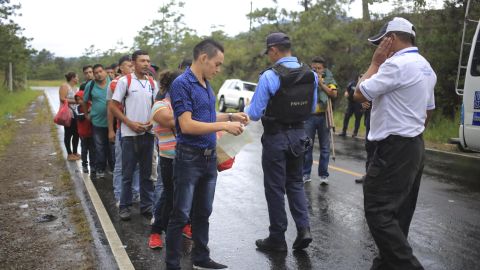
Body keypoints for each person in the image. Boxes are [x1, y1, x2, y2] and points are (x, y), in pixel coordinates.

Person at [353, 17, 436, 270]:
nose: (379, 48)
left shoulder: (395, 65)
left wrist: (375, 62)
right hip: (414, 146)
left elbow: (358, 93)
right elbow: (428, 111)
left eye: (381, 43)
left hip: (394, 148)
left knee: (378, 210)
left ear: (391, 39)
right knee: (399, 215)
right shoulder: (425, 67)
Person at [165, 39, 248, 270]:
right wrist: (224, 127)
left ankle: (201, 258)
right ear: (203, 58)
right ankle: (172, 265)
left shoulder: (206, 83)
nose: (218, 69)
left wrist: (232, 117)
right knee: (181, 215)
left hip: (209, 159)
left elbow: (207, 117)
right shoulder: (182, 84)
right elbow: (188, 125)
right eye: (217, 64)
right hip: (189, 158)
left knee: (203, 212)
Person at [245, 32, 316, 253]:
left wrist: (240, 114)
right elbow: (312, 109)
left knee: (275, 188)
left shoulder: (269, 76)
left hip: (276, 137)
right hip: (299, 135)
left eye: (269, 52)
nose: (268, 57)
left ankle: (277, 238)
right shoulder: (310, 74)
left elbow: (255, 113)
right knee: (295, 183)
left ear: (274, 50)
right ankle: (304, 229)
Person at [110, 50, 158, 221]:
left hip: (148, 134)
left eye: (148, 61)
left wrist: (153, 122)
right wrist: (129, 123)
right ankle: (124, 207)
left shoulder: (153, 83)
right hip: (129, 135)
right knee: (127, 174)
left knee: (147, 175)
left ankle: (147, 207)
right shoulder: (125, 81)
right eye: (142, 61)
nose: (146, 64)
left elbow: (157, 106)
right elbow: (114, 107)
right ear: (134, 63)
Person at [148, 69, 182, 249]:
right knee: (169, 198)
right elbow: (173, 121)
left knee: (184, 198)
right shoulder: (160, 105)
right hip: (169, 159)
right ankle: (156, 232)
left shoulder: (185, 104)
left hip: (190, 159)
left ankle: (180, 229)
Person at [107, 55, 140, 206]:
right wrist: (111, 130)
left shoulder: (141, 82)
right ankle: (119, 195)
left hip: (139, 130)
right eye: (128, 66)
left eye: (133, 66)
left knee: (137, 164)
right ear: (121, 68)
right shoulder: (116, 83)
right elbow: (111, 109)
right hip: (123, 129)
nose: (132, 68)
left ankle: (135, 192)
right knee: (121, 164)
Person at [302, 56, 338, 185]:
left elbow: (333, 94)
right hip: (309, 117)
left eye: (319, 68)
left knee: (325, 148)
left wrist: (321, 83)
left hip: (324, 116)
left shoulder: (329, 79)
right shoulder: (306, 78)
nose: (316, 70)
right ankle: (305, 174)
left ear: (324, 69)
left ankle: (323, 174)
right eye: (314, 68)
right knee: (307, 146)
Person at [83, 64, 112, 179]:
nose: (99, 74)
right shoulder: (90, 85)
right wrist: (86, 114)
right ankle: (100, 169)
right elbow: (85, 101)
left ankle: (113, 168)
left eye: (100, 71)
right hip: (97, 122)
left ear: (105, 71)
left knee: (112, 147)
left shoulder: (113, 83)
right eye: (96, 73)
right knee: (99, 147)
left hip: (112, 122)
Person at [59, 72, 80, 161]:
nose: (78, 79)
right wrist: (76, 102)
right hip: (68, 114)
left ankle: (75, 152)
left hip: (76, 114)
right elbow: (62, 99)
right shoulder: (65, 86)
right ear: (72, 78)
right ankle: (69, 153)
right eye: (77, 77)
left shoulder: (76, 88)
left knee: (76, 134)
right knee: (68, 134)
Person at [74, 90, 96, 175]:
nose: (79, 101)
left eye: (81, 99)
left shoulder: (91, 105)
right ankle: (84, 165)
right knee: (84, 150)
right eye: (78, 99)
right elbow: (80, 117)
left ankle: (93, 166)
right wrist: (89, 112)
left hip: (92, 132)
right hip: (83, 133)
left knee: (92, 150)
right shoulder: (77, 108)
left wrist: (90, 110)